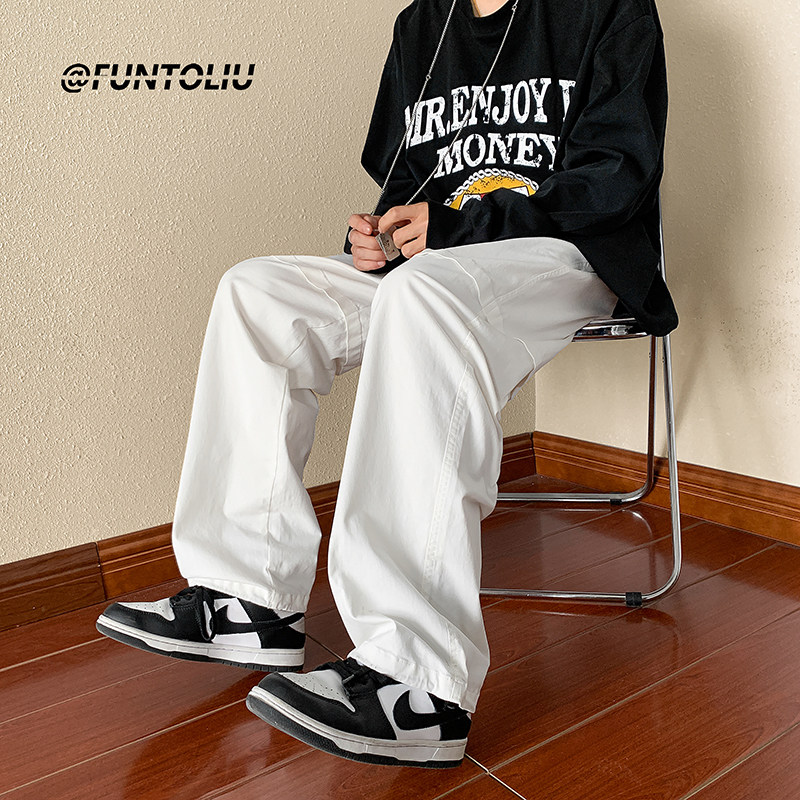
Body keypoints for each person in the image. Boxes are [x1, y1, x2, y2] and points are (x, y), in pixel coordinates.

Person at [96, 0, 678, 769]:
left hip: (566, 252)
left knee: (421, 294)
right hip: (438, 266)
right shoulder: (422, 24)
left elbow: (617, 178)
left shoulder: (605, 8)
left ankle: (419, 679)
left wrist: (458, 230)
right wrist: (380, 236)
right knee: (257, 292)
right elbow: (411, 177)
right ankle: (246, 598)